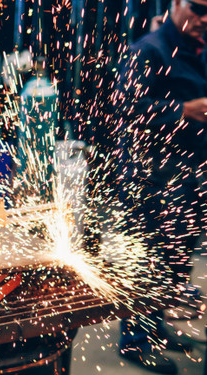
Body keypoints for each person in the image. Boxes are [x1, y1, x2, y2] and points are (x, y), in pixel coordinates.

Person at [117, 0, 207, 373]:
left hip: (187, 179)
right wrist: (181, 111)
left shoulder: (196, 49)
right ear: (175, 4)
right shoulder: (148, 50)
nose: (204, 19)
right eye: (198, 9)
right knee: (148, 266)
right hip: (151, 182)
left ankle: (156, 328)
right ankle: (135, 343)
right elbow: (122, 106)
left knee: (174, 264)